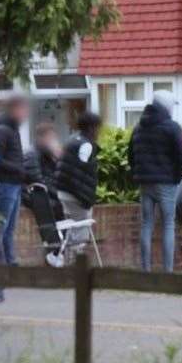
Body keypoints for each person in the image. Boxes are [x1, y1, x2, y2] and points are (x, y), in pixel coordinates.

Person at [128, 89, 182, 273]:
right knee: (168, 224)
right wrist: (176, 178)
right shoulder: (172, 127)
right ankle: (167, 272)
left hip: (145, 183)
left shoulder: (138, 127)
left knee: (146, 224)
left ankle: (145, 271)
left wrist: (139, 174)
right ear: (167, 105)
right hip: (166, 182)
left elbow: (131, 155)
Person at [54, 112, 102, 265]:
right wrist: (86, 198)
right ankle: (77, 267)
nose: (99, 131)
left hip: (63, 192)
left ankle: (70, 264)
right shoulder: (86, 144)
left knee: (72, 229)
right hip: (75, 195)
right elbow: (81, 170)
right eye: (97, 128)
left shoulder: (72, 139)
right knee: (80, 231)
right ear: (91, 128)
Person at [0, 95, 30, 264]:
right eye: (22, 110)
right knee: (1, 227)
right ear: (13, 110)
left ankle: (10, 262)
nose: (25, 113)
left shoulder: (13, 130)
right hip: (6, 185)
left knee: (10, 228)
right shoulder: (3, 131)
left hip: (14, 184)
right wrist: (18, 169)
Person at [24, 122, 64, 221]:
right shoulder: (31, 155)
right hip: (33, 195)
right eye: (50, 138)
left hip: (44, 193)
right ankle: (58, 235)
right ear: (41, 138)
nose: (53, 141)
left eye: (54, 138)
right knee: (58, 206)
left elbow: (57, 176)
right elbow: (38, 181)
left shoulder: (46, 154)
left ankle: (63, 235)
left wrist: (58, 158)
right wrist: (58, 195)